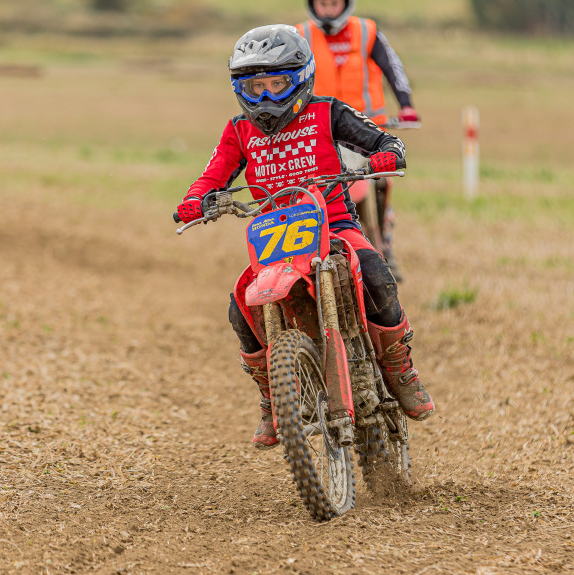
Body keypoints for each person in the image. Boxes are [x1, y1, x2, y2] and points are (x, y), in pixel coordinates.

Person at [175, 25, 434, 450]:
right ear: (240, 89)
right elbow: (212, 176)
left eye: (277, 84)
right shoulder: (239, 131)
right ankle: (272, 396)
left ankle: (400, 370)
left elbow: (380, 139)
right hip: (274, 240)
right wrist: (194, 201)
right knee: (240, 307)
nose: (266, 97)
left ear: (301, 78)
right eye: (255, 87)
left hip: (335, 226)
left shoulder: (327, 112)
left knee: (376, 273)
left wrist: (387, 153)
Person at [296, 0, 419, 281]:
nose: (328, 9)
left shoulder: (367, 31)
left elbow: (393, 68)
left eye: (334, 3)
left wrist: (406, 105)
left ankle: (384, 245)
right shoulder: (300, 35)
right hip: (321, 132)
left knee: (383, 178)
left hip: (366, 132)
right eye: (322, 3)